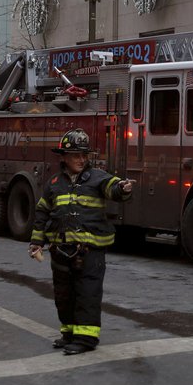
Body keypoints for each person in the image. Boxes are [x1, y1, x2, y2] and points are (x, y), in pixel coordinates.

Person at [29, 128, 134, 355]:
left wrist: (123, 189)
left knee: (88, 294)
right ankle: (69, 334)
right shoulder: (54, 182)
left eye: (84, 155)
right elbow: (42, 212)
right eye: (76, 155)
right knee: (63, 295)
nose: (81, 159)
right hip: (60, 251)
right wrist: (37, 242)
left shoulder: (98, 177)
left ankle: (85, 339)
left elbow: (113, 188)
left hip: (89, 253)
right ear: (64, 157)